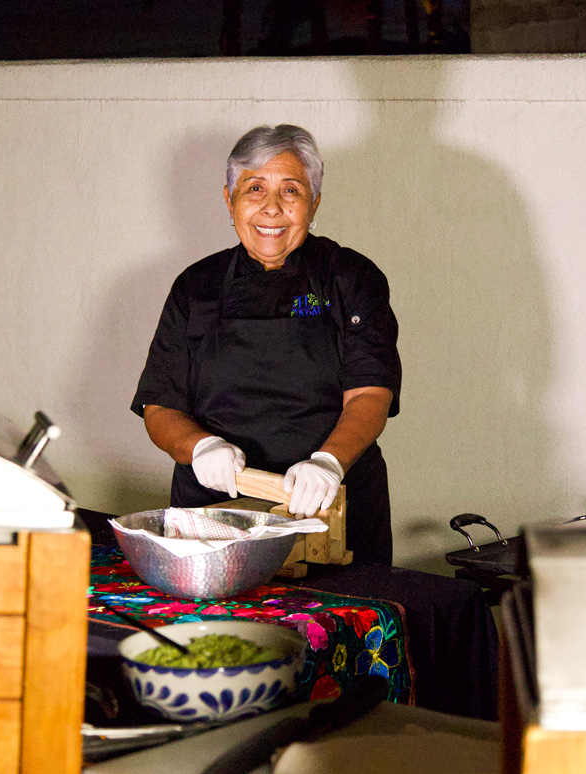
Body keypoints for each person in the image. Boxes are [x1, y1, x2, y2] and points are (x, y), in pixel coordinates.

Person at [131, 124, 401, 564]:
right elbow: (159, 406)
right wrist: (200, 448)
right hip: (214, 517)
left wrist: (329, 462)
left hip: (328, 516)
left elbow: (371, 390)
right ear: (229, 200)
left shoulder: (352, 278)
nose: (271, 208)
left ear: (313, 204)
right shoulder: (195, 286)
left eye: (291, 190)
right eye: (254, 188)